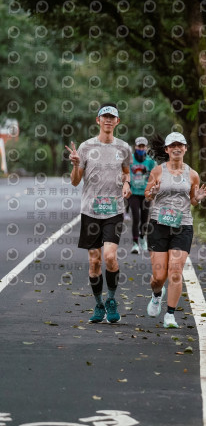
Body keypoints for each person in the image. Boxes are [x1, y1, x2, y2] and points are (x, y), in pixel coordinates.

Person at [65, 103, 132, 324]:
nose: (108, 121)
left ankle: (111, 300)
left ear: (117, 122)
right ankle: (98, 303)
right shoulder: (85, 148)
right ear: (98, 120)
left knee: (110, 257)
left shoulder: (123, 148)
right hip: (90, 211)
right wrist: (75, 165)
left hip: (114, 210)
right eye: (105, 117)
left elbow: (125, 172)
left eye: (112, 117)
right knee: (94, 262)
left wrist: (127, 184)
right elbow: (75, 182)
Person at [144, 132, 206, 328]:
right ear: (166, 150)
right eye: (172, 145)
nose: (176, 148)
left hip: (182, 226)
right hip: (158, 225)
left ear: (185, 148)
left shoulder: (192, 174)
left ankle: (170, 315)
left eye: (180, 145)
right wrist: (153, 192)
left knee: (175, 272)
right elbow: (148, 194)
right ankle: (157, 295)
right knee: (159, 277)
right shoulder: (157, 172)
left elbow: (192, 200)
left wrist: (197, 199)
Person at [129, 136, 156, 254]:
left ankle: (142, 237)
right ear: (135, 147)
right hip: (133, 193)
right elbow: (125, 174)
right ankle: (135, 244)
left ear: (146, 147)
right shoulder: (130, 160)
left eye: (143, 146)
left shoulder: (150, 162)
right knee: (136, 218)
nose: (141, 148)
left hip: (146, 194)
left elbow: (155, 176)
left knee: (145, 219)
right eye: (139, 146)